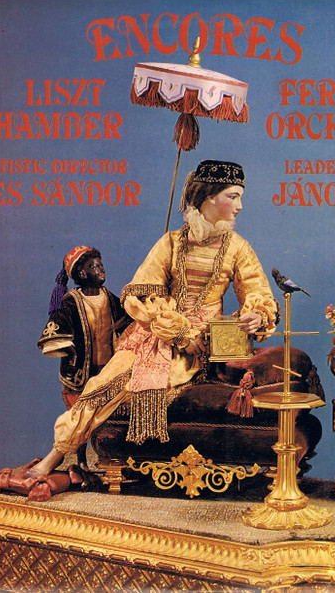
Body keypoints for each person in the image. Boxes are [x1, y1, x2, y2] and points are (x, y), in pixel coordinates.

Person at [27, 160, 279, 478]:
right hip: (155, 332)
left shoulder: (238, 248)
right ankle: (57, 453)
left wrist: (256, 315)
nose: (240, 206)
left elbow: (258, 293)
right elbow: (139, 294)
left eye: (240, 197)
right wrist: (171, 327)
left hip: (199, 344)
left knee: (129, 384)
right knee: (103, 382)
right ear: (210, 196)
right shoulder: (170, 242)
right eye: (233, 196)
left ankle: (61, 455)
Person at [38, 246, 130, 410]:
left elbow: (128, 318)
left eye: (101, 265)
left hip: (109, 373)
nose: (101, 270)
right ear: (82, 273)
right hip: (81, 376)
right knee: (82, 416)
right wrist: (71, 352)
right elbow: (56, 331)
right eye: (94, 266)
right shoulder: (70, 302)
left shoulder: (109, 298)